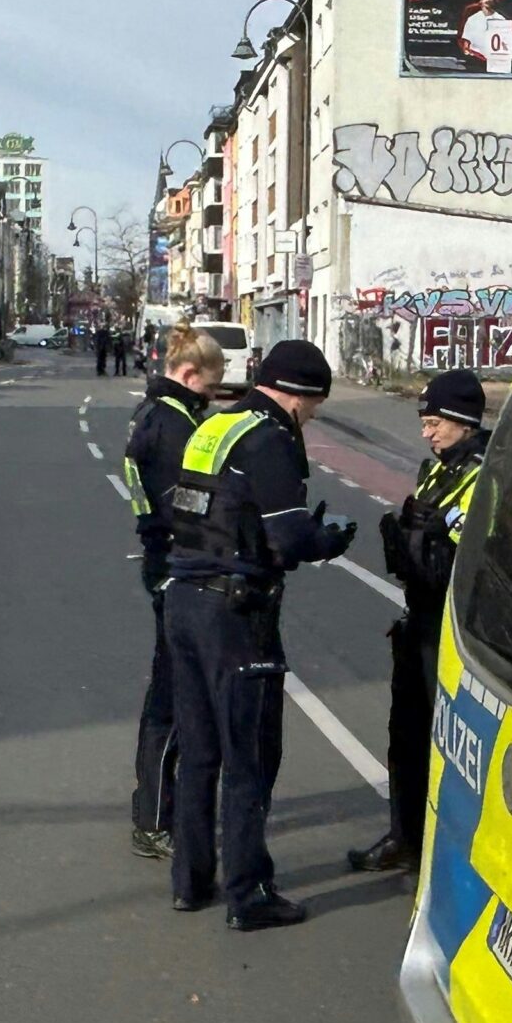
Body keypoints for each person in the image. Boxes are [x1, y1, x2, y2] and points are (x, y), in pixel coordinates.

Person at [163, 338, 357, 929]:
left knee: (198, 753)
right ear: (296, 395)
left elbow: (209, 509)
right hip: (236, 615)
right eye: (314, 404)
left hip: (185, 599)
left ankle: (192, 882)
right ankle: (248, 895)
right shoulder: (269, 439)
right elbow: (290, 540)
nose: (313, 415)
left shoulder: (215, 426)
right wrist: (331, 540)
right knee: (249, 758)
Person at [348, 370, 489, 874]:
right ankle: (404, 838)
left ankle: (445, 856)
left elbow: (473, 557)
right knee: (405, 734)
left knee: (448, 745)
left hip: (451, 626)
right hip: (420, 616)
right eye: (424, 423)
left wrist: (435, 540)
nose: (427, 434)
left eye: (435, 423)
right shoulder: (438, 470)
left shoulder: (482, 474)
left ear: (463, 422)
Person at [123, 327, 225, 862]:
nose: (211, 398)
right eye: (210, 388)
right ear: (189, 376)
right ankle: (155, 819)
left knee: (171, 692)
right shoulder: (173, 426)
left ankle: (158, 811)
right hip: (175, 566)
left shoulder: (149, 413)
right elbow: (186, 506)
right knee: (172, 696)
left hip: (160, 562)